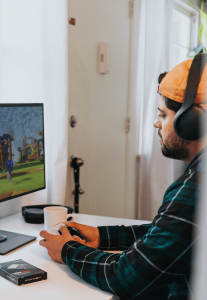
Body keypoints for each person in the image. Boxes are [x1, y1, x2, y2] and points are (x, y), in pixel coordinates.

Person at [39, 58, 207, 300]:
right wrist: (102, 236)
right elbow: (169, 235)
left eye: (162, 114)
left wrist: (67, 250)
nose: (155, 123)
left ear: (191, 122)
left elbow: (126, 277)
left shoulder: (196, 186)